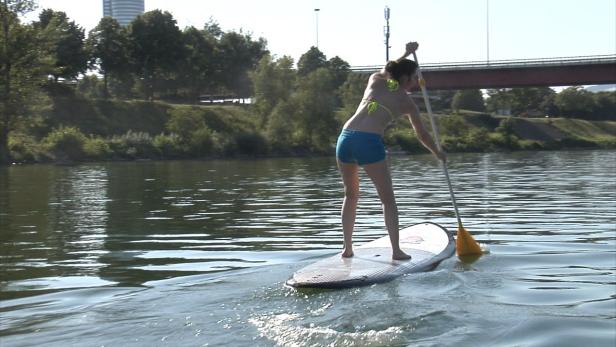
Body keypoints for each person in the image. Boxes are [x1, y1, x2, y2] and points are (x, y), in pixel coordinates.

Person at [335, 41, 446, 260]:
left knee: (350, 195)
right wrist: (437, 152)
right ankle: (396, 251)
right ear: (404, 78)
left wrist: (406, 52)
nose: (415, 82)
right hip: (368, 142)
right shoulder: (406, 102)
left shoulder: (375, 80)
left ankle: (347, 249)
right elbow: (422, 135)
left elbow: (388, 69)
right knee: (388, 199)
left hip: (345, 138)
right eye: (413, 78)